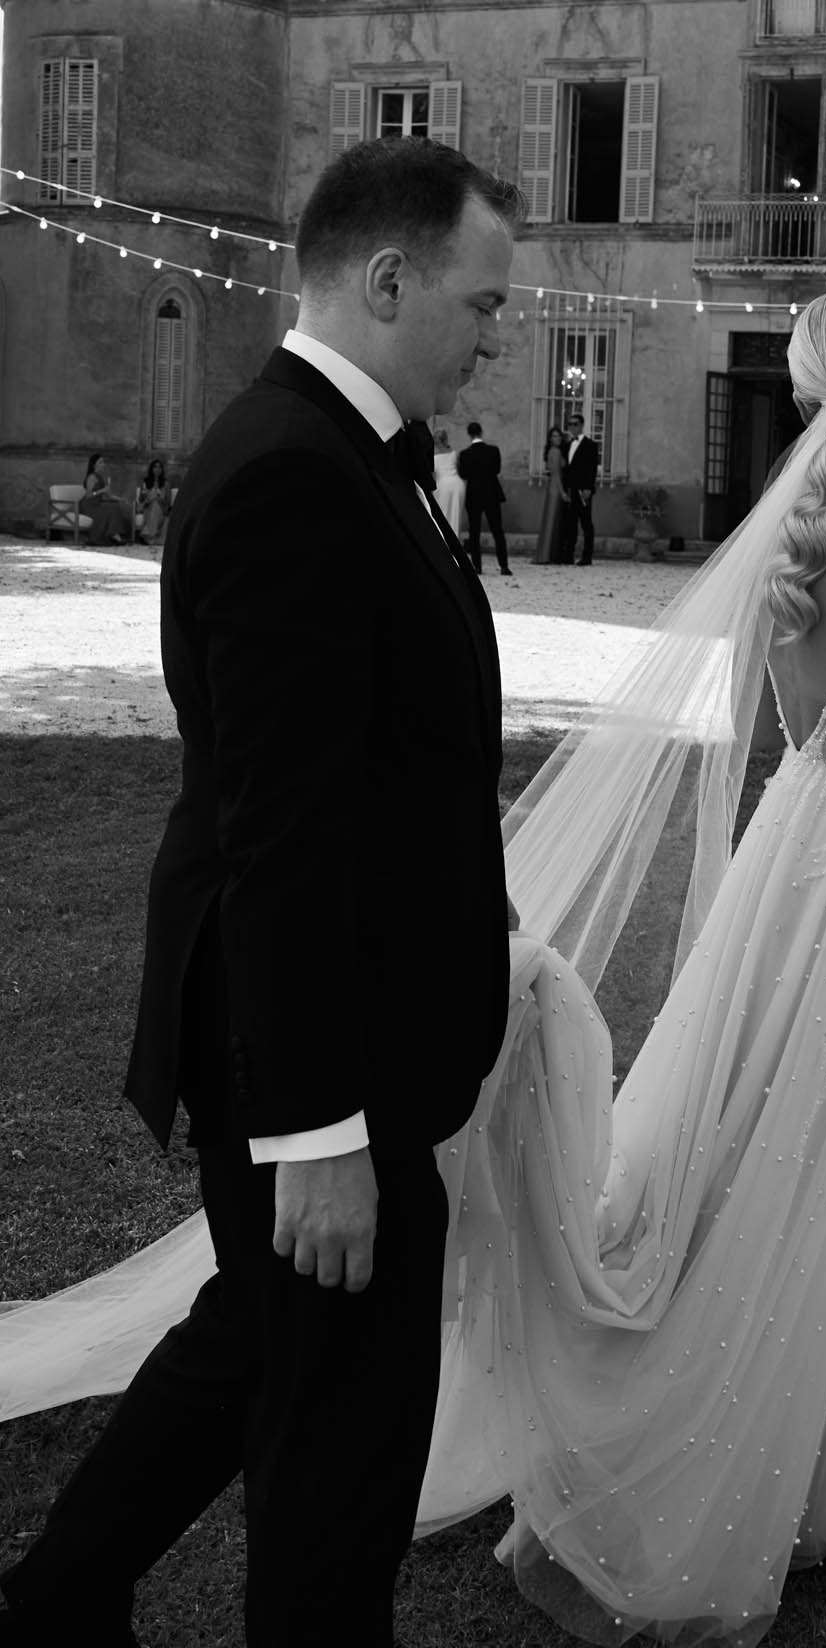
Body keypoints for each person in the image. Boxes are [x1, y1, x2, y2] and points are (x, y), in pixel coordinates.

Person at [1, 291, 826, 1644]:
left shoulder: (794, 537)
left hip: (797, 846)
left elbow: (802, 721)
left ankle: (810, 1427)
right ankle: (808, 1441)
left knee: (769, 1147)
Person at [0, 138, 521, 1648]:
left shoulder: (347, 447)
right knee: (343, 1445)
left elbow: (375, 754)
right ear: (387, 279)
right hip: (315, 1051)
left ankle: (55, 1597)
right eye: (482, 305)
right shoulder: (295, 469)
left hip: (351, 1013)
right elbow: (277, 833)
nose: (493, 340)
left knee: (258, 1335)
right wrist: (318, 1136)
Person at [457, 420, 512, 576]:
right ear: (481, 432)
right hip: (491, 493)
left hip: (474, 495)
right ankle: (504, 566)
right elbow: (497, 469)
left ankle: (477, 567)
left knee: (474, 532)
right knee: (497, 531)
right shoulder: (493, 450)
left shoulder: (465, 454)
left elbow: (463, 474)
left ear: (469, 434)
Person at [532, 425, 574, 564]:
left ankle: (546, 554)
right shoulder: (555, 451)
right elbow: (556, 474)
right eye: (554, 436)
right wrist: (562, 493)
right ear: (550, 439)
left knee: (552, 520)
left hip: (554, 487)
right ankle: (546, 555)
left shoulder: (553, 451)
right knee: (552, 520)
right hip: (556, 488)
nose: (558, 438)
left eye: (559, 435)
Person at [563, 410, 599, 565]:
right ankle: (568, 555)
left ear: (582, 425)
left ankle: (587, 556)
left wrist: (588, 488)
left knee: (586, 524)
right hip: (570, 489)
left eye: (575, 424)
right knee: (570, 523)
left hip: (583, 490)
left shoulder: (590, 445)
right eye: (570, 424)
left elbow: (592, 469)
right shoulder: (568, 445)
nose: (572, 427)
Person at [79, 453, 133, 546]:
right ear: (94, 465)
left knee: (115, 506)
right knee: (111, 509)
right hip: (88, 506)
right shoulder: (91, 477)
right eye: (100, 462)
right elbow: (88, 495)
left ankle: (114, 535)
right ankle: (114, 536)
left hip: (98, 504)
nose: (103, 464)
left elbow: (110, 496)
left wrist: (122, 499)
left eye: (103, 462)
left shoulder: (100, 477)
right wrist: (101, 490)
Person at [431, 425, 465, 536]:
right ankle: (455, 537)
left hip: (442, 485)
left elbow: (433, 475)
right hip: (457, 484)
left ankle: (443, 540)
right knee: (455, 515)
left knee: (442, 514)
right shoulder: (454, 453)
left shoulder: (433, 456)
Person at [134, 460, 170, 545]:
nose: (157, 469)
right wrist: (145, 495)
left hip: (161, 509)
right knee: (153, 502)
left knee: (155, 502)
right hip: (147, 508)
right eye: (155, 467)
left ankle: (148, 535)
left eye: (159, 467)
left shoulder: (166, 483)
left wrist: (158, 497)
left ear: (162, 470)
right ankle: (150, 536)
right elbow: (140, 500)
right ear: (151, 469)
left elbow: (168, 501)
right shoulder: (145, 482)